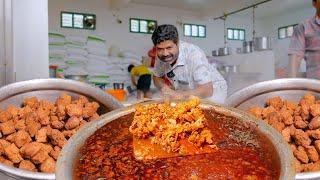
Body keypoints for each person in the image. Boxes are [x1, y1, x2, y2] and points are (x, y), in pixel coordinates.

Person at [151, 24, 227, 103]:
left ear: (177, 43)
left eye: (169, 48)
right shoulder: (161, 54)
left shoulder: (194, 54)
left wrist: (179, 94)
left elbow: (207, 90)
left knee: (204, 113)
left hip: (213, 91)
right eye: (160, 49)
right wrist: (165, 88)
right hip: (186, 91)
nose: (165, 53)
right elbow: (156, 77)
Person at [288, 0, 320, 79]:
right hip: (315, 88)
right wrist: (290, 87)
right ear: (314, 3)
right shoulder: (303, 27)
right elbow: (295, 58)